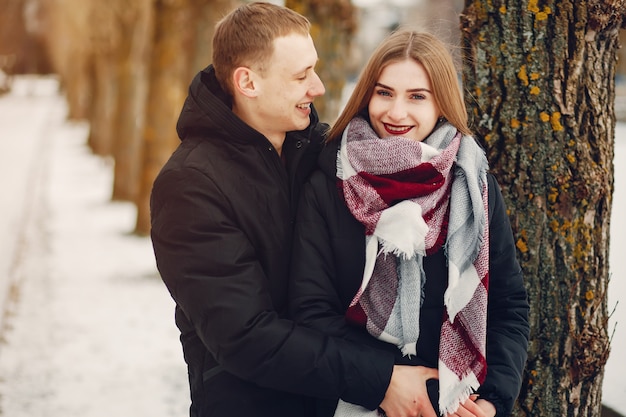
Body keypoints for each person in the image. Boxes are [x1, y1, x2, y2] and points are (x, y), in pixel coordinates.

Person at [151, 3, 440, 417]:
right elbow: (244, 336)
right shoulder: (190, 185)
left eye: (314, 70)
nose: (318, 87)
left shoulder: (323, 156)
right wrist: (380, 379)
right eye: (301, 76)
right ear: (248, 82)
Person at [289, 29, 530, 417]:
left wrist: (492, 402)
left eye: (417, 96)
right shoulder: (329, 181)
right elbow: (310, 311)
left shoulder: (472, 182)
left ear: (442, 103)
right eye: (384, 92)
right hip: (354, 401)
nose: (396, 113)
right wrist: (385, 382)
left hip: (455, 405)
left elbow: (508, 305)